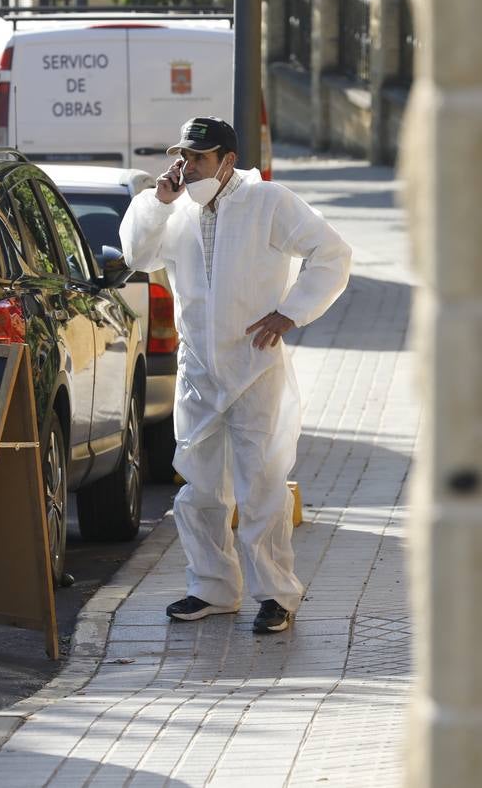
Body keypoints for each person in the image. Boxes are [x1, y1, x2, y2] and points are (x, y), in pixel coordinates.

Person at [119, 116, 351, 633]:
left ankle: (277, 595)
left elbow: (331, 253)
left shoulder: (267, 202)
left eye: (198, 159)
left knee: (262, 489)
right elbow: (136, 253)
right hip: (199, 369)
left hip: (254, 368)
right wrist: (158, 202)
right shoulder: (172, 206)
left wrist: (292, 311)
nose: (186, 167)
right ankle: (212, 588)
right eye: (182, 156)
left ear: (227, 160)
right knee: (198, 488)